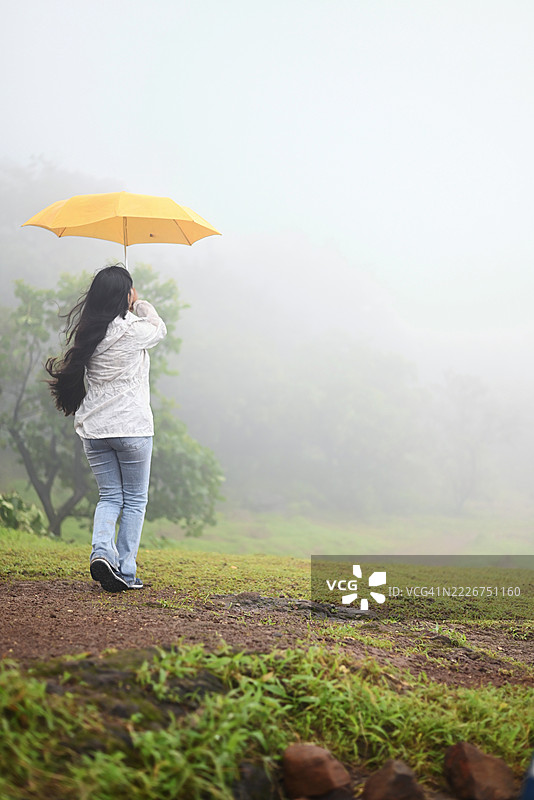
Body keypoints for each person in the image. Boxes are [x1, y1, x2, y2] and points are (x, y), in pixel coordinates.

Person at [45, 264, 167, 592]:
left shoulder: (90, 332)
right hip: (133, 428)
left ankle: (102, 552)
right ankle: (126, 570)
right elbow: (159, 329)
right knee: (135, 500)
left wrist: (128, 301)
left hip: (95, 429)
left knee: (110, 496)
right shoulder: (133, 329)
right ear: (124, 296)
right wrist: (139, 304)